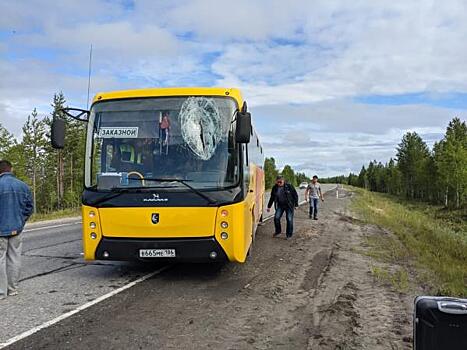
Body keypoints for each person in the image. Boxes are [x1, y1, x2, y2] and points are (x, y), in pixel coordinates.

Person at [0, 160, 33, 299]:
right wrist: (21, 221)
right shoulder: (23, 186)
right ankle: (12, 289)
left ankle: (1, 292)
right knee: (14, 257)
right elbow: (29, 208)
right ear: (11, 169)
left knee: (0, 260)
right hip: (17, 228)